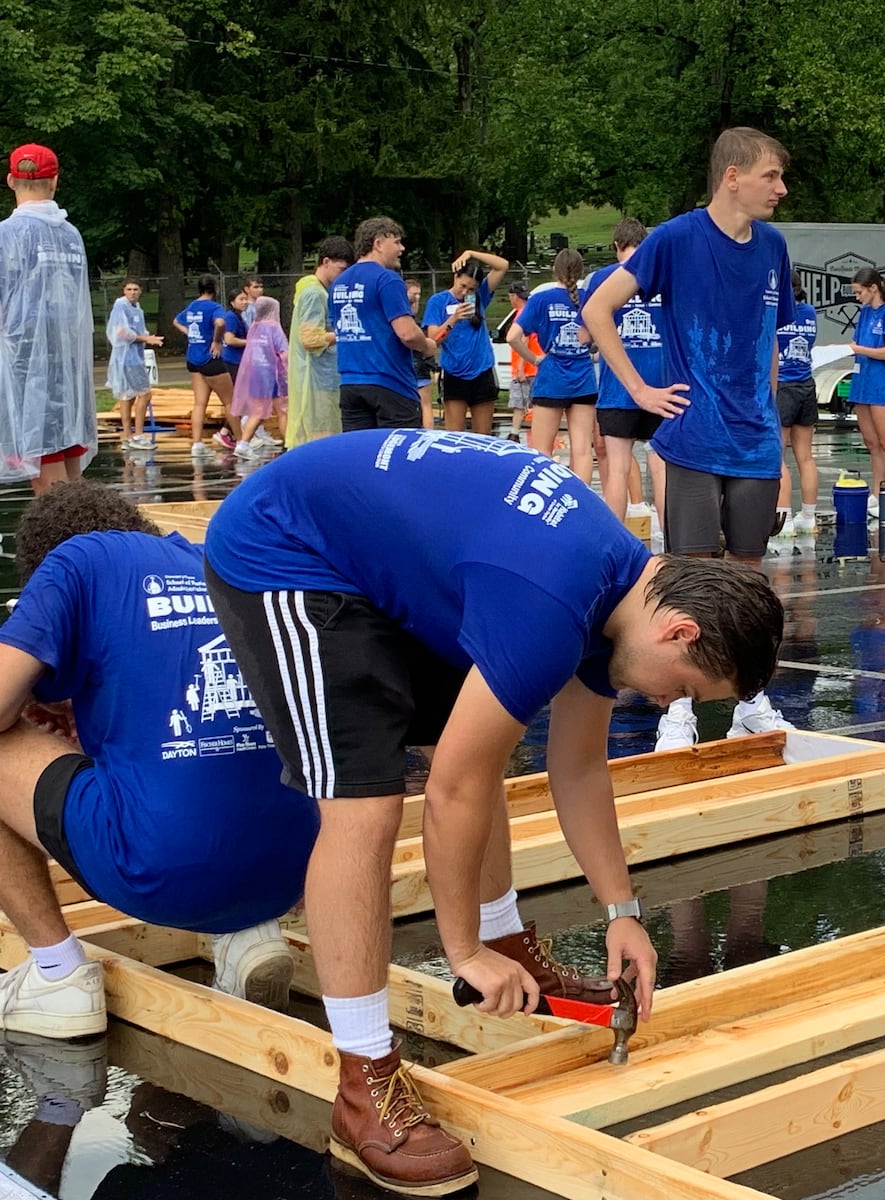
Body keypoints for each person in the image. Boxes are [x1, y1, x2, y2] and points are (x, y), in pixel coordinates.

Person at [203, 428, 785, 1195]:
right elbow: (449, 791)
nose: (666, 701)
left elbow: (577, 768)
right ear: (680, 629)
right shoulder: (552, 601)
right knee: (367, 802)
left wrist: (622, 911)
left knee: (485, 738)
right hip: (284, 554)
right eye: (683, 688)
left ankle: (511, 941)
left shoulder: (616, 593)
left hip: (369, 555)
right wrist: (461, 950)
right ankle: (362, 1082)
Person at [0, 481, 319, 1042]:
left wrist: (28, 705)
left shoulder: (75, 561)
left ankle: (58, 977)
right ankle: (246, 932)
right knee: (216, 753)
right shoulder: (212, 561)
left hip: (161, 869)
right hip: (294, 870)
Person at [583, 127, 800, 751]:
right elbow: (599, 310)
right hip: (694, 436)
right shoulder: (675, 239)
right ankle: (676, 710)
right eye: (771, 177)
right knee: (691, 576)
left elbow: (769, 343)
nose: (780, 189)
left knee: (752, 581)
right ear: (732, 176)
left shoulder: (774, 247)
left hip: (755, 440)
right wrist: (640, 392)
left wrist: (772, 426)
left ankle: (751, 701)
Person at [0, 144, 97, 495]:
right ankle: (83, 538)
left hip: (26, 371)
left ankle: (64, 545)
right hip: (67, 370)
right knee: (70, 472)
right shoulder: (70, 235)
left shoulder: (7, 236)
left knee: (47, 479)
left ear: (11, 180)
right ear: (54, 181)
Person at [584, 218, 667, 520]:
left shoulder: (601, 279)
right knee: (661, 467)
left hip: (617, 388)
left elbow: (586, 334)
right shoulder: (663, 276)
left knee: (617, 470)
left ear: (617, 246)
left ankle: (617, 545)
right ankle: (668, 540)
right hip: (662, 386)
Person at [332, 216, 437, 431]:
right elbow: (407, 333)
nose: (402, 248)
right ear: (378, 244)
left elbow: (338, 329)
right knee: (398, 456)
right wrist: (427, 346)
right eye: (396, 242)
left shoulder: (338, 283)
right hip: (389, 382)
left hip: (350, 382)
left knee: (361, 456)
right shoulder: (387, 279)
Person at [511, 248, 596, 478]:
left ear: (553, 271)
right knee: (582, 451)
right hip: (584, 379)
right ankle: (582, 502)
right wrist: (593, 355)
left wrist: (535, 359)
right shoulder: (589, 297)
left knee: (542, 452)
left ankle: (547, 504)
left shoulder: (541, 299)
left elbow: (512, 337)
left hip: (552, 378)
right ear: (580, 271)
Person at [425, 249, 509, 435]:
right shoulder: (438, 301)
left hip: (482, 372)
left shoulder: (479, 297)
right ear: (455, 276)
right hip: (454, 374)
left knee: (483, 438)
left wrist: (471, 254)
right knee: (455, 437)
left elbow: (502, 266)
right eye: (463, 286)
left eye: (471, 289)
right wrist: (453, 319)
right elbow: (433, 340)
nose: (465, 292)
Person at [849, 266, 885, 519]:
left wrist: (860, 349)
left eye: (860, 291)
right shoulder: (863, 314)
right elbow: (858, 346)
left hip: (881, 384)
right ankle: (877, 493)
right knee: (872, 443)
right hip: (862, 383)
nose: (857, 296)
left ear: (874, 288)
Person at [285, 235, 352, 448]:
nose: (343, 276)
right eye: (341, 270)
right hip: (315, 379)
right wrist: (343, 333)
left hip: (323, 376)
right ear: (325, 262)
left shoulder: (319, 291)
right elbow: (310, 338)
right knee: (321, 434)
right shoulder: (314, 293)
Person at [775, 268, 820, 537]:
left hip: (783, 385)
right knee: (805, 456)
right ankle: (808, 516)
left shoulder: (780, 314)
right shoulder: (810, 312)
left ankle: (785, 517)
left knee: (778, 457)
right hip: (806, 384)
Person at [174, 277, 239, 458]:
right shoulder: (215, 307)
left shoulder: (192, 306)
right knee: (230, 402)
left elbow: (176, 321)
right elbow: (220, 323)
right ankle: (242, 442)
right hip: (210, 359)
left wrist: (190, 333)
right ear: (215, 288)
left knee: (199, 403)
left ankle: (197, 443)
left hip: (193, 358)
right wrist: (217, 341)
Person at [106, 279, 163, 451]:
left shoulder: (137, 308)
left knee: (128, 395)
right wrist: (145, 338)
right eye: (129, 289)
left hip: (134, 355)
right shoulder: (121, 306)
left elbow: (139, 330)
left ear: (140, 291)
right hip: (127, 357)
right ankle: (137, 434)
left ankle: (128, 436)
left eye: (135, 289)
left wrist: (148, 337)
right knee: (144, 393)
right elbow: (122, 332)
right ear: (123, 290)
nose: (132, 292)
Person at [231, 297, 289, 459]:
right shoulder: (274, 328)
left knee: (257, 412)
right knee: (283, 411)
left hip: (256, 375)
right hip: (274, 375)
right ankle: (290, 446)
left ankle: (243, 443)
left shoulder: (254, 328)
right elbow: (284, 353)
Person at [499, 282, 537, 443]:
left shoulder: (521, 314)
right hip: (534, 366)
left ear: (513, 297)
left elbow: (524, 339)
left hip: (527, 368)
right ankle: (524, 433)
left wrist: (520, 367)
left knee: (519, 403)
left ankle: (515, 434)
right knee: (530, 403)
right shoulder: (531, 311)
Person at [404, 278, 436, 430]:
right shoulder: (410, 322)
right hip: (414, 368)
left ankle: (427, 434)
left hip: (415, 369)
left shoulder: (416, 322)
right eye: (413, 295)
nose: (417, 299)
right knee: (425, 406)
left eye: (419, 295)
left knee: (425, 406)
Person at [221, 287, 250, 381]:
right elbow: (229, 340)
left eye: (246, 299)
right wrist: (250, 342)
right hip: (232, 361)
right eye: (241, 299)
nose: (245, 302)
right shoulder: (231, 317)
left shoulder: (238, 316)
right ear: (232, 302)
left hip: (238, 360)